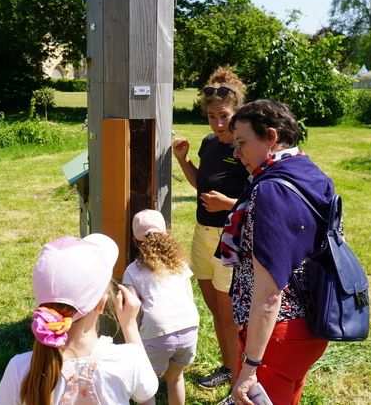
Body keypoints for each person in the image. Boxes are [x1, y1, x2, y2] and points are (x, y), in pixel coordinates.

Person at [218, 100, 332, 405]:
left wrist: (250, 368)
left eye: (242, 142)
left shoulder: (272, 191)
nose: (236, 152)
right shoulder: (309, 172)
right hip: (312, 323)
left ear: (271, 136)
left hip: (276, 336)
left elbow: (269, 295)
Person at [0, 233, 158, 405]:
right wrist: (130, 326)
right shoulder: (126, 361)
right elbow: (146, 398)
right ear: (102, 304)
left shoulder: (19, 369)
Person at [172, 66, 249, 390]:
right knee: (216, 312)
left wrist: (228, 204)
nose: (218, 123)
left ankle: (240, 384)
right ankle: (229, 367)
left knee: (230, 316)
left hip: (228, 238)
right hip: (202, 235)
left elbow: (263, 198)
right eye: (211, 116)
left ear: (237, 112)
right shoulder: (209, 143)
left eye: (224, 116)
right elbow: (201, 184)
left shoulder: (247, 146)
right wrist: (183, 160)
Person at [122, 210, 200, 405]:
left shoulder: (132, 271)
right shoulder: (180, 264)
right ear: (166, 234)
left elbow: (133, 309)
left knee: (146, 385)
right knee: (175, 378)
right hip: (189, 327)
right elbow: (189, 297)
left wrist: (135, 340)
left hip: (157, 333)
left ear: (134, 240)